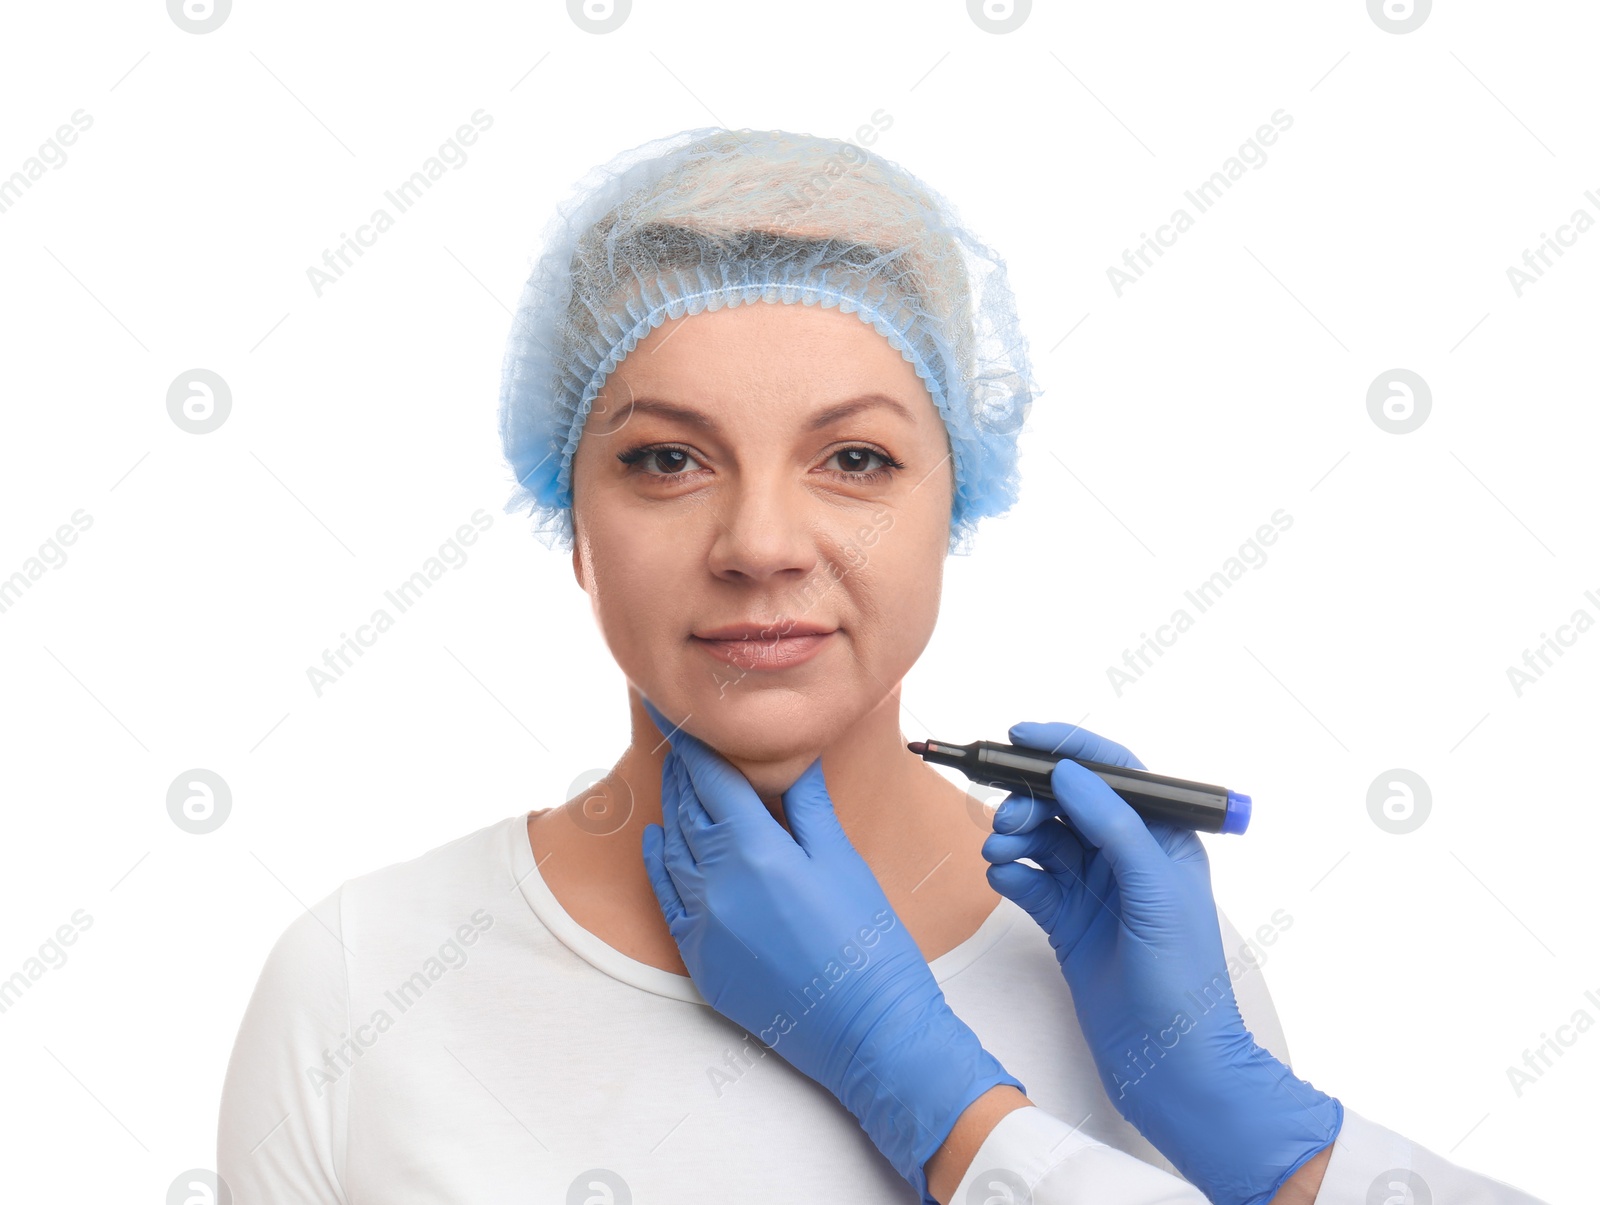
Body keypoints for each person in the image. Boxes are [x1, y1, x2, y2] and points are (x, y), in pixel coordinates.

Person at [214, 127, 1545, 1204]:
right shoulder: (362, 983)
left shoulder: (1148, 1007)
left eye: (856, 458)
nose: (759, 543)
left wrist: (1189, 1095)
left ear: (956, 500)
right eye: (665, 458)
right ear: (571, 521)